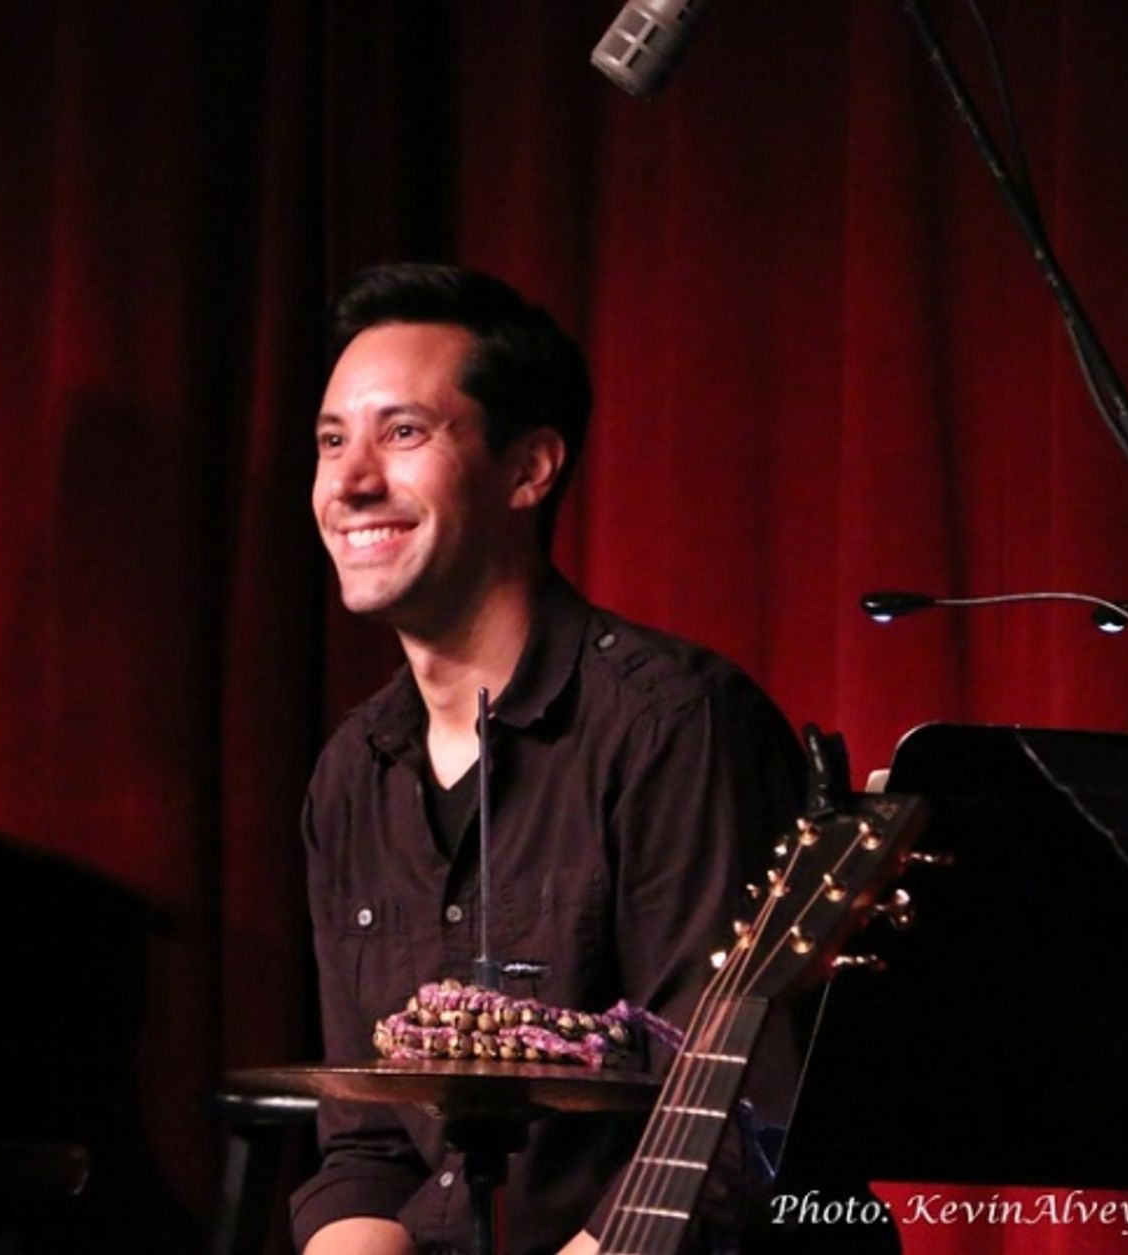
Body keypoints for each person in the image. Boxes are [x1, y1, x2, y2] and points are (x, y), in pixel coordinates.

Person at [290, 263, 806, 1255]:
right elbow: (364, 1138)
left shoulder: (672, 724)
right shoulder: (352, 771)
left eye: (402, 433)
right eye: (329, 441)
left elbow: (739, 1113)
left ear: (528, 469)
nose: (350, 481)